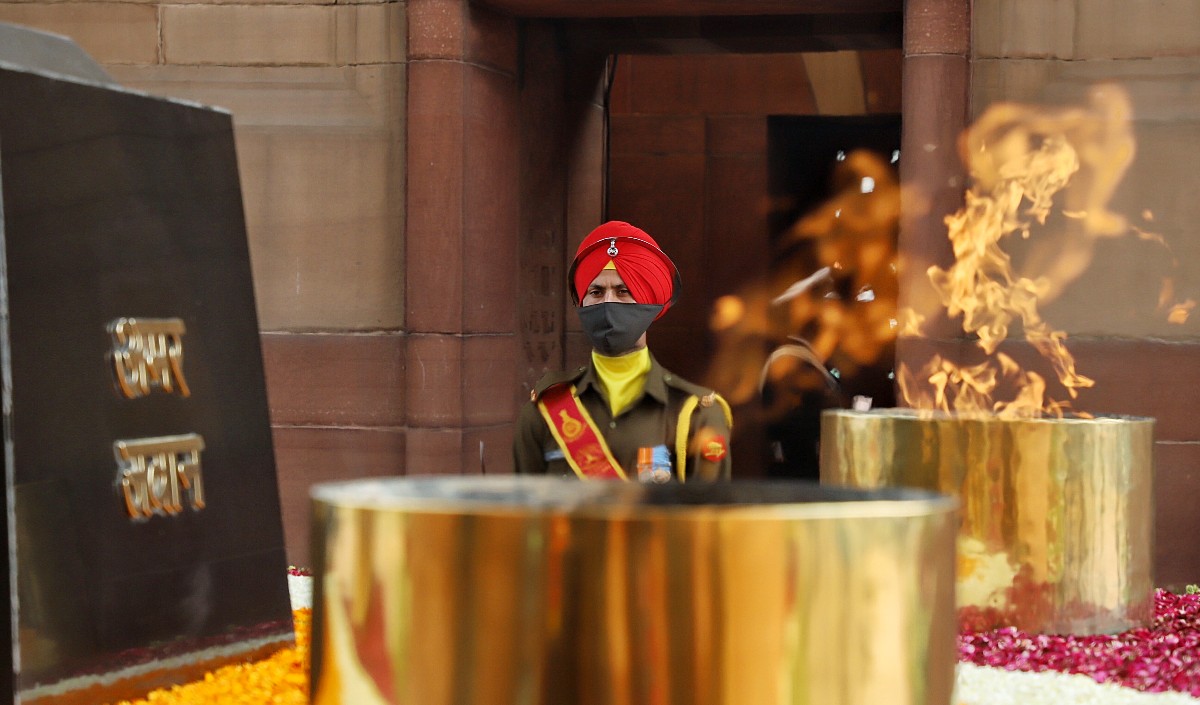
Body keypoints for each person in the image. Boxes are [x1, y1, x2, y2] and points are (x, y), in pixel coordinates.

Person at [513, 221, 732, 481]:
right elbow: (526, 514)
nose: (608, 303)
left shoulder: (696, 413)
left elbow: (706, 519)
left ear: (650, 304)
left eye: (623, 291)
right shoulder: (544, 410)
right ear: (581, 302)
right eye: (596, 291)